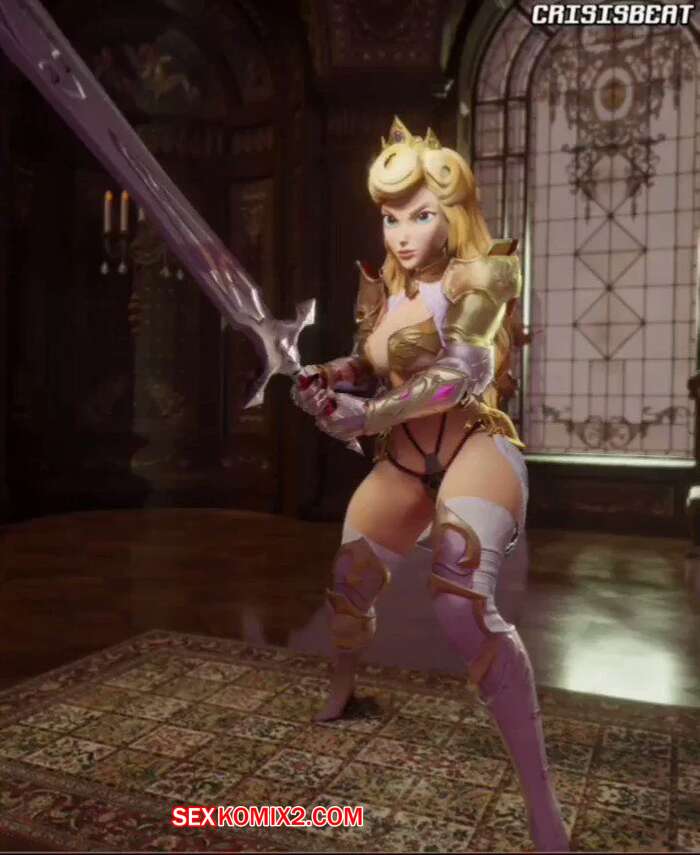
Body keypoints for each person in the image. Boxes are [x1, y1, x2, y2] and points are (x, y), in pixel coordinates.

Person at [290, 117, 569, 852]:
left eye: (420, 215)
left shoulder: (486, 275)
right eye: (391, 218)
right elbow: (365, 363)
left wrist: (364, 415)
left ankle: (542, 803)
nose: (403, 234)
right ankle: (343, 685)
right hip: (405, 462)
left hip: (475, 444)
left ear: (454, 212)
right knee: (348, 583)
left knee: (460, 603)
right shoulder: (383, 289)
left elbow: (459, 374)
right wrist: (324, 378)